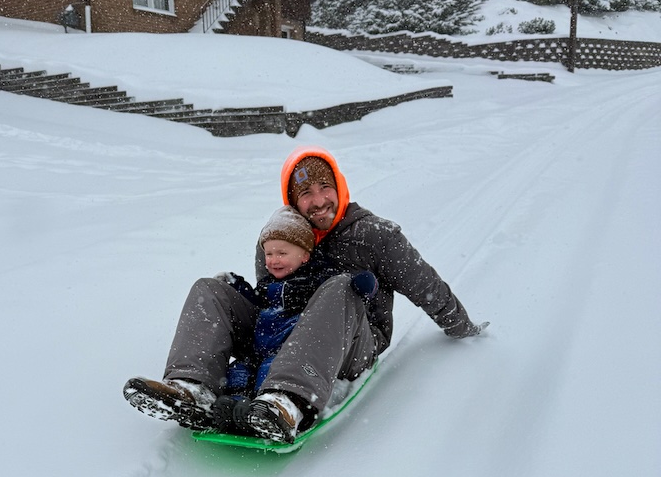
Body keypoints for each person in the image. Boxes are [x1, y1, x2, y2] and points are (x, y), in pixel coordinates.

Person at [124, 145, 488, 444]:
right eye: (305, 194)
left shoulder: (376, 235)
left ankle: (288, 402)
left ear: (339, 185)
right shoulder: (280, 237)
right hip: (292, 336)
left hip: (354, 342)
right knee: (210, 289)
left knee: (339, 287)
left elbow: (426, 285)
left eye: (324, 188)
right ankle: (192, 388)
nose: (318, 201)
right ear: (292, 201)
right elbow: (272, 299)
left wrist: (462, 327)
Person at [210, 206, 378, 435]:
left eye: (282, 253)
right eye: (268, 254)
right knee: (239, 371)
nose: (273, 260)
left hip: (290, 354)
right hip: (260, 350)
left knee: (269, 373)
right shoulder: (268, 286)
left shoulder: (316, 279)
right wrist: (235, 285)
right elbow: (254, 300)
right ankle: (234, 407)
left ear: (305, 255)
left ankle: (271, 407)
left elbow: (338, 300)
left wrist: (362, 285)